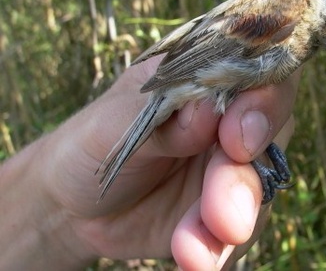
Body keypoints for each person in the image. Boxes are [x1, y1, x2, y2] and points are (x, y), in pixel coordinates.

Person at [0, 54, 300, 270]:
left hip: (202, 95)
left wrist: (60, 215)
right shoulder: (289, 13)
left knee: (240, 129)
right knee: (232, 125)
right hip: (194, 83)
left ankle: (252, 153)